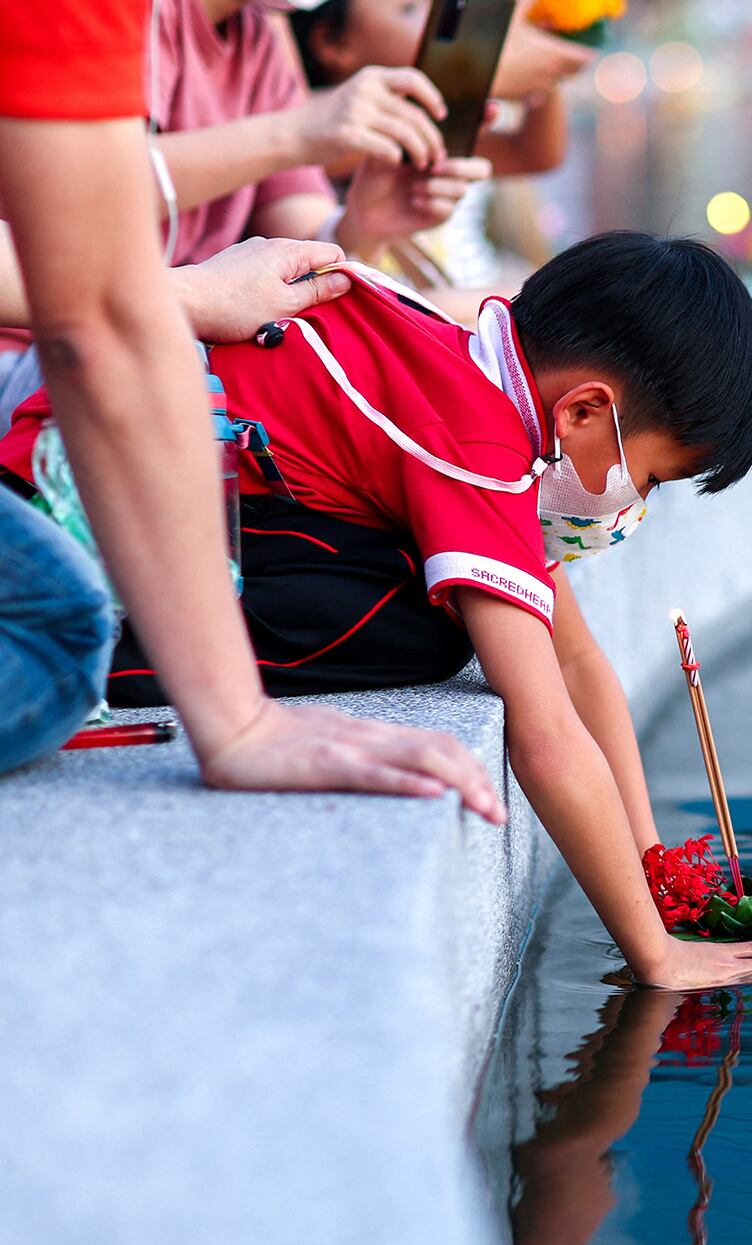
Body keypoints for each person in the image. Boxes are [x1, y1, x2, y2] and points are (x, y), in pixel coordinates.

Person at [3, 231, 752, 990]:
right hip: (73, 558)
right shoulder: (482, 446)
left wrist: (652, 863)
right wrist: (656, 955)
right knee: (425, 629)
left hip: (72, 478)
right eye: (652, 478)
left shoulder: (456, 358)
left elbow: (576, 656)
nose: (637, 505)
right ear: (584, 411)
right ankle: (132, 661)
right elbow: (547, 733)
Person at [0, 2, 505, 812]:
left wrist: (363, 226)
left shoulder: (260, 40)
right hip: (48, 372)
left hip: (138, 353)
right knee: (58, 628)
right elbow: (96, 301)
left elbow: (281, 262)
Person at [0, 0, 490, 418]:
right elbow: (67, 194)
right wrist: (294, 132)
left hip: (168, 349)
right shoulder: (110, 17)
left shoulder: (258, 40)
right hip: (35, 353)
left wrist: (365, 223)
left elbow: (306, 242)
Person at [291, 0, 594, 301]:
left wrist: (544, 64)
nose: (438, 18)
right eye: (410, 8)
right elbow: (332, 148)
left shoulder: (433, 124)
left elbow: (532, 154)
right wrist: (469, 74)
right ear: (332, 43)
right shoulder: (317, 137)